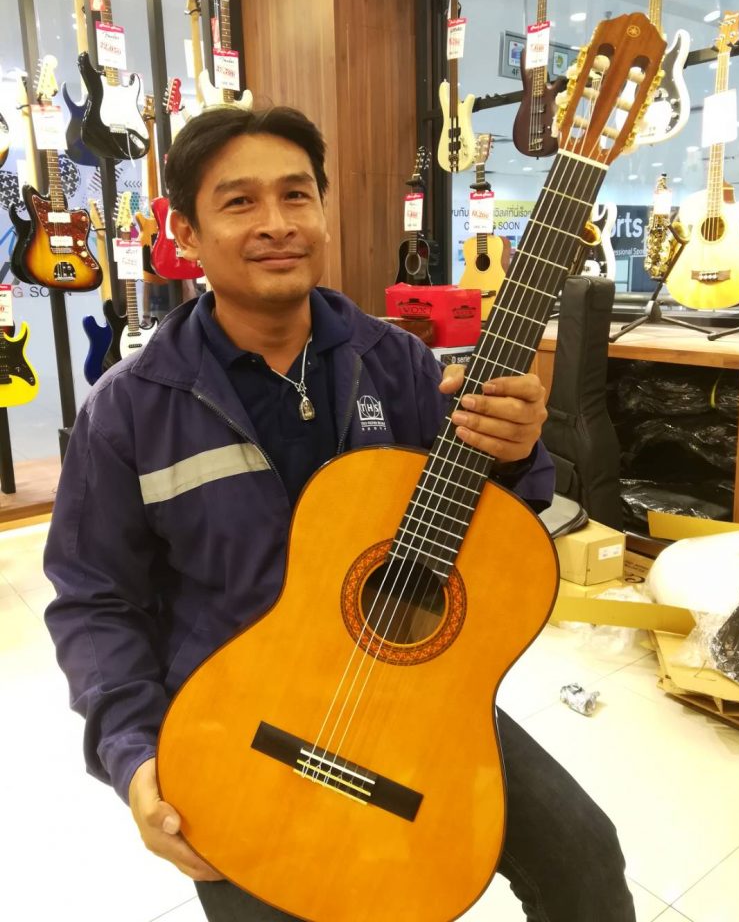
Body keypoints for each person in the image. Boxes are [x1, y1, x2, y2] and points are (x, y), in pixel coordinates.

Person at [44, 105, 635, 922]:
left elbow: (500, 525)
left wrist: (514, 451)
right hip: (241, 719)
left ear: (324, 210)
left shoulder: (399, 363)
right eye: (240, 202)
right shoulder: (129, 408)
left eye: (297, 195)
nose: (277, 223)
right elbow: (93, 599)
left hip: (414, 692)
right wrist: (134, 755)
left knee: (585, 857)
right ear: (185, 232)